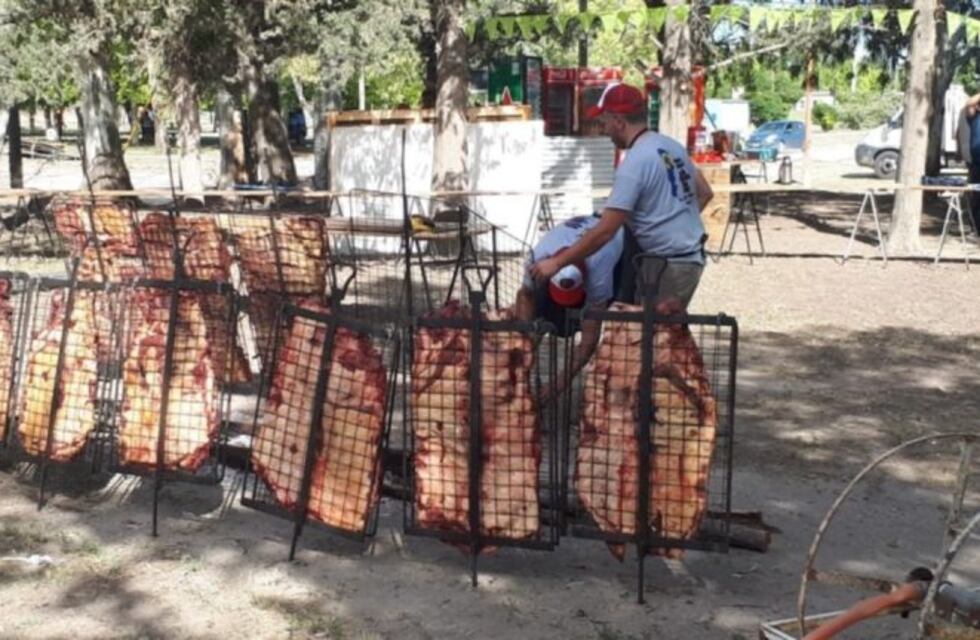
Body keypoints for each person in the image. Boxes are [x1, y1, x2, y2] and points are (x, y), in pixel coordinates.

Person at [529, 83, 714, 310]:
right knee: (648, 333)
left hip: (670, 265)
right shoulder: (670, 146)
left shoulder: (634, 163)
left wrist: (556, 263)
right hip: (684, 258)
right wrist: (675, 222)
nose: (603, 130)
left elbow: (605, 232)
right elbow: (705, 193)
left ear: (618, 121)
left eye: (603, 122)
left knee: (654, 338)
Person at [515, 214, 624, 394]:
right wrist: (523, 345)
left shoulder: (599, 269)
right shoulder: (537, 257)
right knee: (538, 312)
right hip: (577, 234)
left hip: (614, 236)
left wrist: (556, 387)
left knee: (621, 309)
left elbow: (590, 340)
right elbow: (526, 294)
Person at [956, 92, 980, 231]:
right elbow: (970, 103)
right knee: (977, 196)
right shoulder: (974, 117)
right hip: (977, 164)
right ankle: (977, 228)